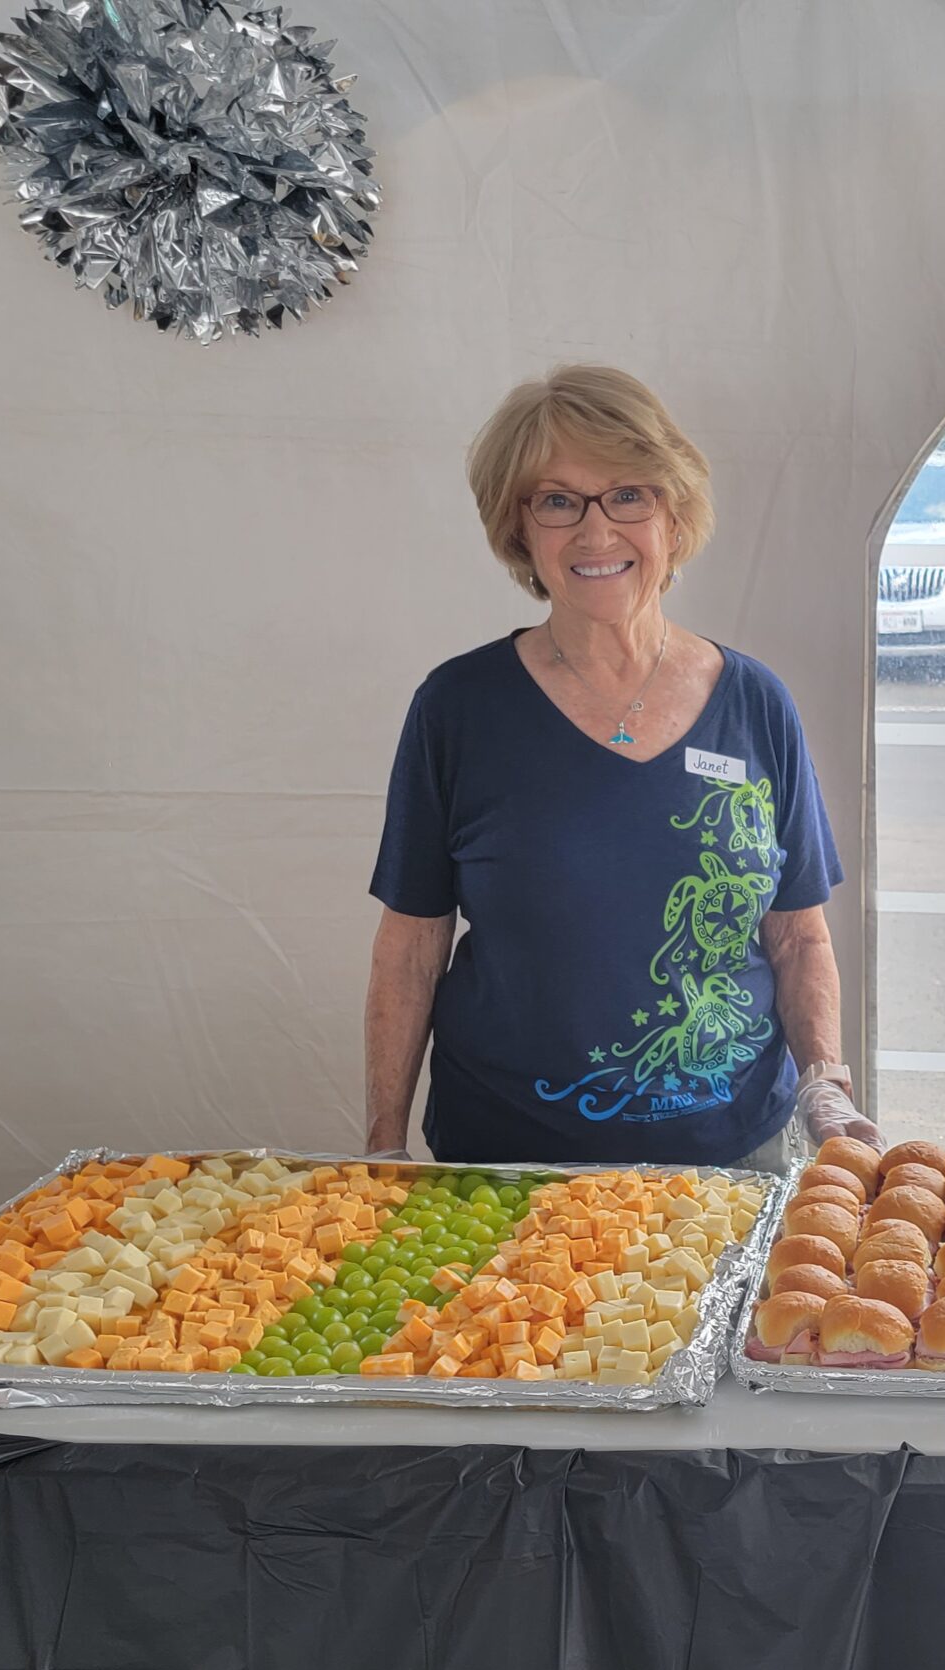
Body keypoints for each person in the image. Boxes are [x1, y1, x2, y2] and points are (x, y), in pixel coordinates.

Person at [364, 364, 878, 1168]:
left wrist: (826, 1083)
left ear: (674, 517)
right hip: (506, 1163)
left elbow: (797, 935)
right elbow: (411, 947)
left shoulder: (755, 704)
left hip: (730, 1157)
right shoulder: (458, 710)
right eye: (558, 501)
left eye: (629, 494)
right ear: (520, 529)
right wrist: (381, 1147)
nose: (596, 533)